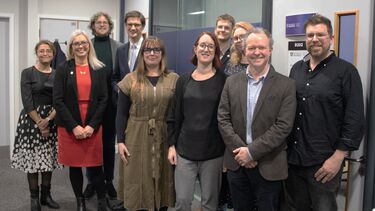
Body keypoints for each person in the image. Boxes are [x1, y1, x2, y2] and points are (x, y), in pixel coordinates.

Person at [286, 14, 365, 211]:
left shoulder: (346, 72)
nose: (314, 39)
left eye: (320, 34)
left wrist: (338, 158)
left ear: (331, 37)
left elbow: (354, 119)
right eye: (310, 35)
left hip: (324, 163)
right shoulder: (297, 69)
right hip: (294, 160)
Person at [217, 28, 296, 211]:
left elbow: (283, 127)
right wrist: (242, 153)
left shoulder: (286, 85)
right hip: (237, 164)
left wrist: (251, 152)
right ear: (244, 51)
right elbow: (223, 119)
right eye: (252, 48)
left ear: (270, 50)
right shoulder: (231, 82)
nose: (257, 52)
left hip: (269, 165)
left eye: (262, 47)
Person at [116, 36, 178, 211]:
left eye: (156, 50)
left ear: (162, 54)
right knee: (137, 176)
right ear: (142, 54)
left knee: (162, 174)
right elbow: (121, 114)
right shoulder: (131, 79)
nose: (152, 53)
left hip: (164, 134)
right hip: (136, 133)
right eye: (148, 50)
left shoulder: (173, 79)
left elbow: (177, 114)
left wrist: (174, 143)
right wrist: (120, 141)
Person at [167, 32, 226, 211]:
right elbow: (174, 115)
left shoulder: (225, 81)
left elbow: (228, 119)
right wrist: (171, 145)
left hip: (214, 153)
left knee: (209, 204)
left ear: (215, 51)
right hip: (185, 151)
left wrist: (227, 154)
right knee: (183, 202)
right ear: (195, 48)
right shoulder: (183, 80)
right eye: (202, 45)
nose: (206, 49)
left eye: (210, 46)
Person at [53, 29, 108, 211]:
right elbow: (58, 100)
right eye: (76, 43)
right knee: (75, 166)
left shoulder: (98, 68)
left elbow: (103, 99)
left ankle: (101, 199)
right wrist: (74, 127)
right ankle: (80, 201)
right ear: (71, 47)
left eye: (84, 42)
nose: (81, 46)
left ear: (89, 45)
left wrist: (92, 125)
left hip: (93, 122)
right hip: (70, 124)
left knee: (95, 165)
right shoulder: (63, 68)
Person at [11, 40, 61, 211]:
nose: (45, 53)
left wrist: (48, 120)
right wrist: (40, 122)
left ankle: (46, 196)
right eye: (41, 51)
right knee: (33, 161)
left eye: (48, 51)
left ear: (53, 54)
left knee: (48, 159)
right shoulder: (27, 73)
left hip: (52, 119)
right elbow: (27, 101)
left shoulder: (58, 74)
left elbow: (60, 100)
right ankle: (34, 199)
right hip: (31, 121)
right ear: (36, 53)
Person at [83, 11, 122, 200]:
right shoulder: (86, 45)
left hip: (112, 105)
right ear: (93, 25)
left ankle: (108, 181)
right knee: (91, 144)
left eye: (105, 22)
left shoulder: (118, 47)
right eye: (98, 22)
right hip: (91, 104)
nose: (101, 24)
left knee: (108, 145)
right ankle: (92, 181)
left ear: (110, 26)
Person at [112, 10, 146, 94]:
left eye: (137, 25)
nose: (133, 28)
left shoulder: (149, 49)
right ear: (125, 26)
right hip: (123, 102)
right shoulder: (120, 50)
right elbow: (115, 78)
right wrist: (119, 90)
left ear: (143, 27)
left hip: (143, 100)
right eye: (130, 24)